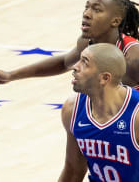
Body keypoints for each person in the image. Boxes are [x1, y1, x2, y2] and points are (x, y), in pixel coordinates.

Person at [0, 0, 139, 92]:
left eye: (97, 9)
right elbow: (64, 62)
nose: (86, 14)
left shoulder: (133, 56)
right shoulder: (86, 44)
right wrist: (11, 75)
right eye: (87, 7)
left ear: (115, 21)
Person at [58, 43, 139, 181]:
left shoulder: (135, 116)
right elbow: (73, 170)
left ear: (105, 78)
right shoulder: (72, 109)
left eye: (84, 62)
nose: (75, 67)